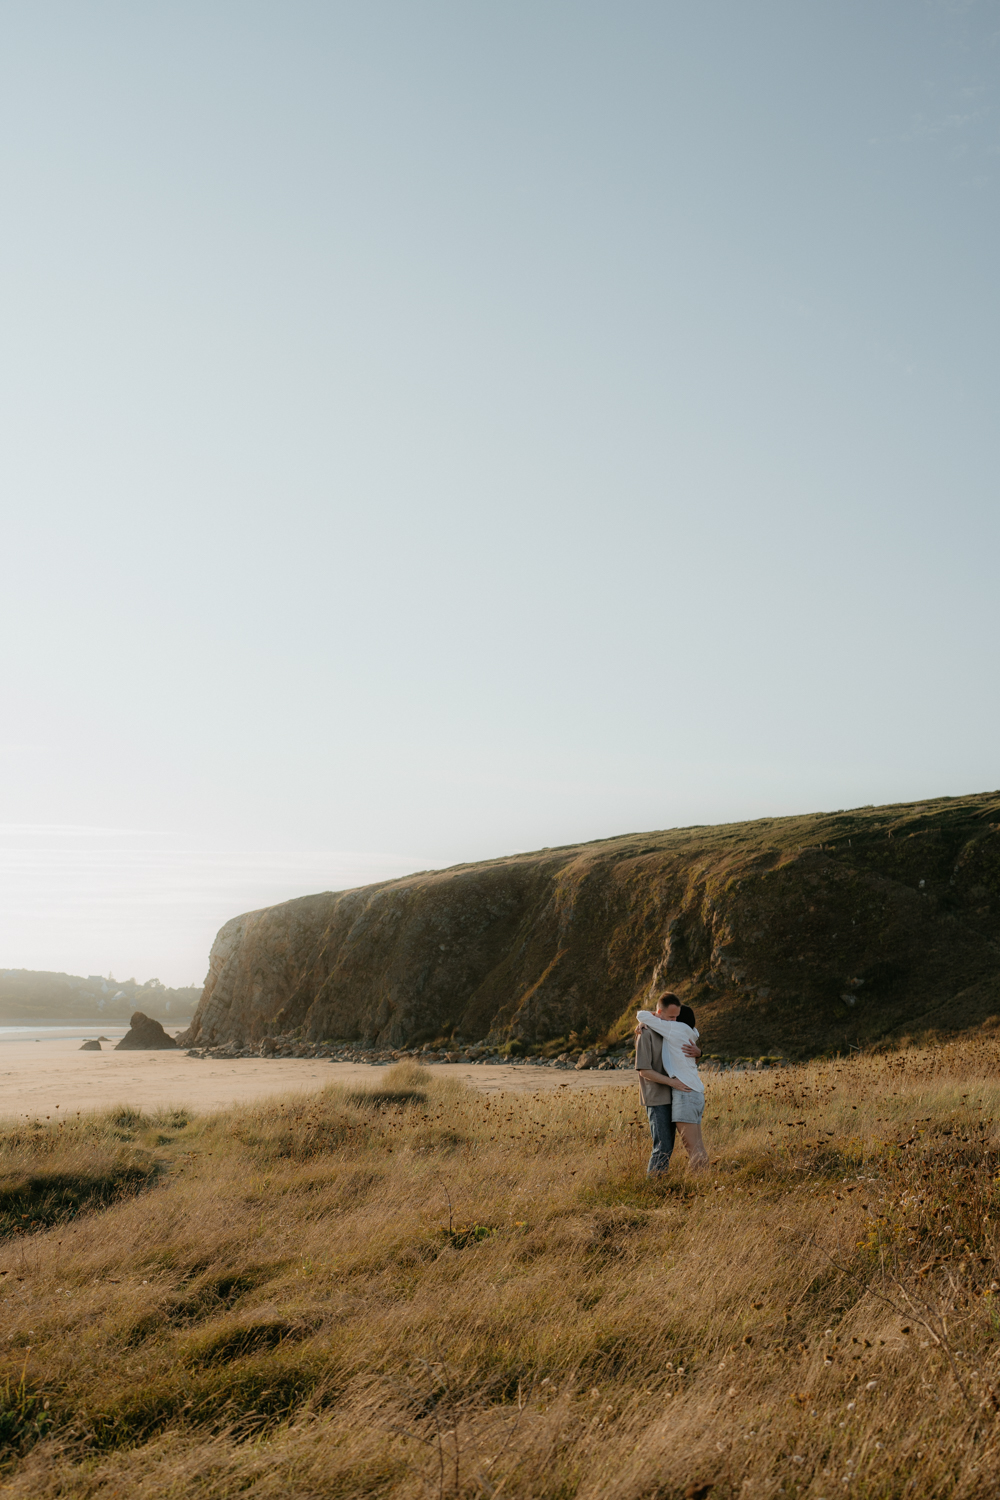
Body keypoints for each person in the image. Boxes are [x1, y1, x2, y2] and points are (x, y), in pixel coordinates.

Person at [636, 998, 709, 1171]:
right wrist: (642, 1022)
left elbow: (690, 1057)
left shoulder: (672, 1030)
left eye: (676, 1017)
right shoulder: (646, 1033)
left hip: (678, 1094)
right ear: (659, 1013)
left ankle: (700, 1185)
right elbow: (643, 1070)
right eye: (671, 1017)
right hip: (657, 1097)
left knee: (685, 1147)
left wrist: (699, 1053)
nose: (674, 1021)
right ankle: (655, 1188)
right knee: (663, 1147)